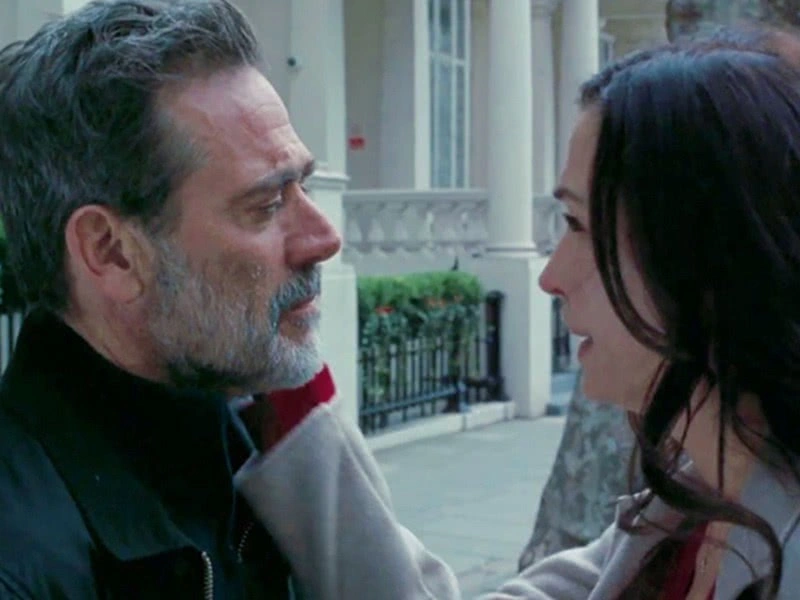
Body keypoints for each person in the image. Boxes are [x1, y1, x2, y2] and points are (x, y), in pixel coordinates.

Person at [243, 25, 800, 600]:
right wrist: (291, 386)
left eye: (578, 225)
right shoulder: (684, 515)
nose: (550, 276)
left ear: (702, 255)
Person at [0, 1, 461, 598]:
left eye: (304, 184)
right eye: (266, 205)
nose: (324, 237)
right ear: (111, 252)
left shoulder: (256, 437)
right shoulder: (24, 559)